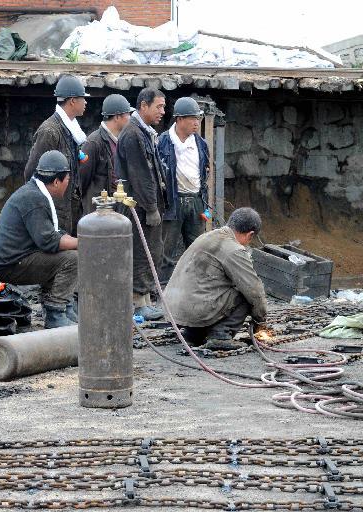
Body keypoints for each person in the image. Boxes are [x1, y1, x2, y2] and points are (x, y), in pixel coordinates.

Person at [0, 150, 78, 329]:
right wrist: (86, 243)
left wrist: (76, 241)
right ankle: (55, 312)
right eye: (67, 180)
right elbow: (49, 241)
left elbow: (55, 233)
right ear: (56, 181)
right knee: (73, 259)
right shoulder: (34, 198)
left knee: (66, 254)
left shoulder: (35, 192)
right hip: (12, 264)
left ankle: (64, 308)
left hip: (21, 258)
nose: (68, 184)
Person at [164, 207, 268, 351]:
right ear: (250, 235)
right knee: (247, 295)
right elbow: (254, 291)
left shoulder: (206, 236)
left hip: (173, 309)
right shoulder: (234, 250)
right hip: (196, 311)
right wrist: (260, 321)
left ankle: (193, 334)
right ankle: (221, 335)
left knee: (213, 288)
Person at [115, 88, 170, 321]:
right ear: (143, 106)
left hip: (146, 204)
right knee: (141, 251)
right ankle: (138, 302)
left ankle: (145, 298)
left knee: (152, 251)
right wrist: (151, 207)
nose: (162, 112)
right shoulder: (133, 134)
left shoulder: (145, 132)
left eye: (163, 107)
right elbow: (141, 175)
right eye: (158, 106)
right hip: (138, 207)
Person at [25, 75, 88, 236]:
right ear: (72, 100)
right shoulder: (50, 131)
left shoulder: (71, 131)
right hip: (55, 211)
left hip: (70, 209)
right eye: (83, 98)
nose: (86, 102)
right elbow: (32, 173)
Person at [156, 96, 211, 283]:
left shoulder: (200, 144)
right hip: (173, 200)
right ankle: (162, 288)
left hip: (195, 200)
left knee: (198, 247)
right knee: (166, 248)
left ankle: (195, 284)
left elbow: (204, 175)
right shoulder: (163, 142)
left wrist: (204, 204)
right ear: (179, 120)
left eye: (198, 118)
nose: (196, 123)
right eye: (192, 118)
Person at [77, 94, 134, 214]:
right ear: (117, 117)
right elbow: (82, 180)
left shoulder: (122, 140)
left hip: (117, 207)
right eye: (128, 114)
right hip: (99, 210)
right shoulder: (94, 142)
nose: (130, 118)